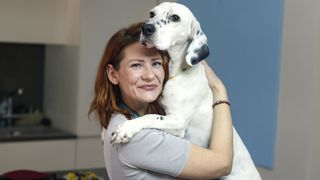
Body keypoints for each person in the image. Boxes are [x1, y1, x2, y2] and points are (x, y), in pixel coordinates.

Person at [89, 22, 233, 180]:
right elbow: (222, 164)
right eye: (136, 65)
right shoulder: (136, 137)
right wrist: (219, 90)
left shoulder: (122, 120)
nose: (150, 75)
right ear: (113, 74)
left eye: (156, 63)